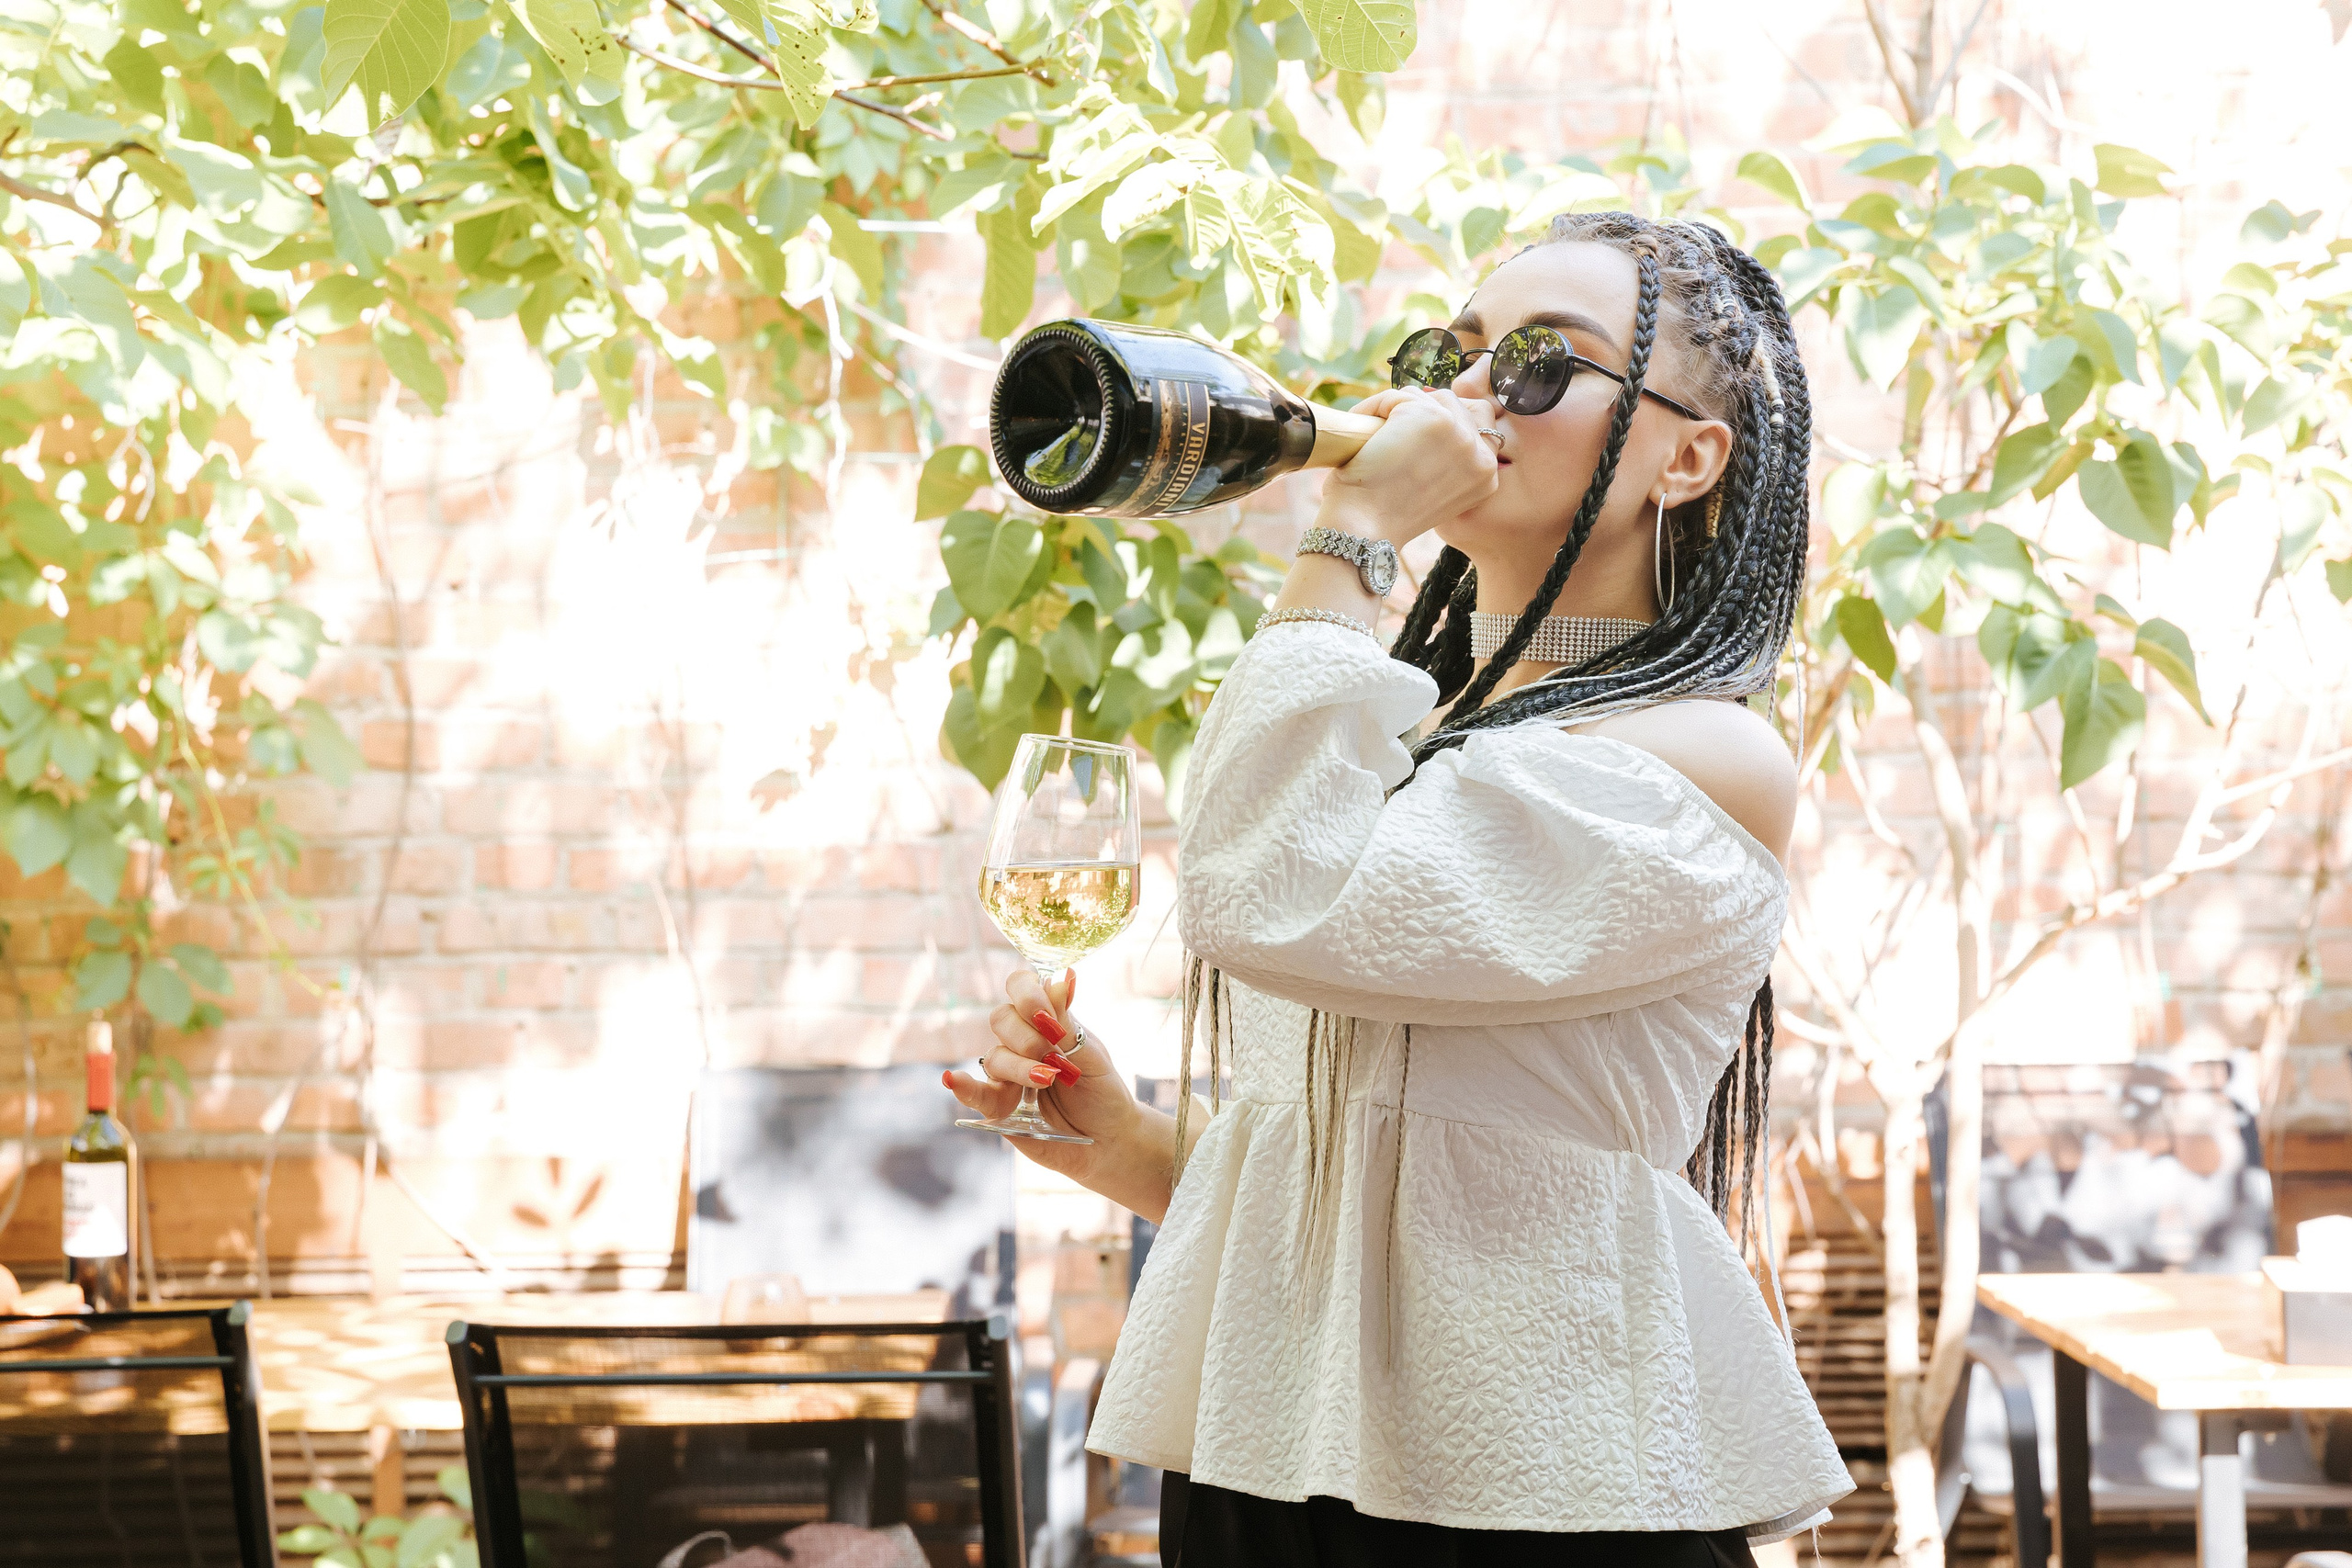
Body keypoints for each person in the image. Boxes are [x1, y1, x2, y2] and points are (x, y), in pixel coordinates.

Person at [943, 212, 1850, 1567]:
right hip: (1277, 1473)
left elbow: (1265, 895)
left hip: (1542, 1498)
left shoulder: (1706, 756)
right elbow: (1405, 1171)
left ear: (1689, 458)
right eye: (1453, 353)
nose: (1469, 391)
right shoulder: (1410, 730)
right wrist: (1133, 1144)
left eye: (1542, 363)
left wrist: (1358, 531)